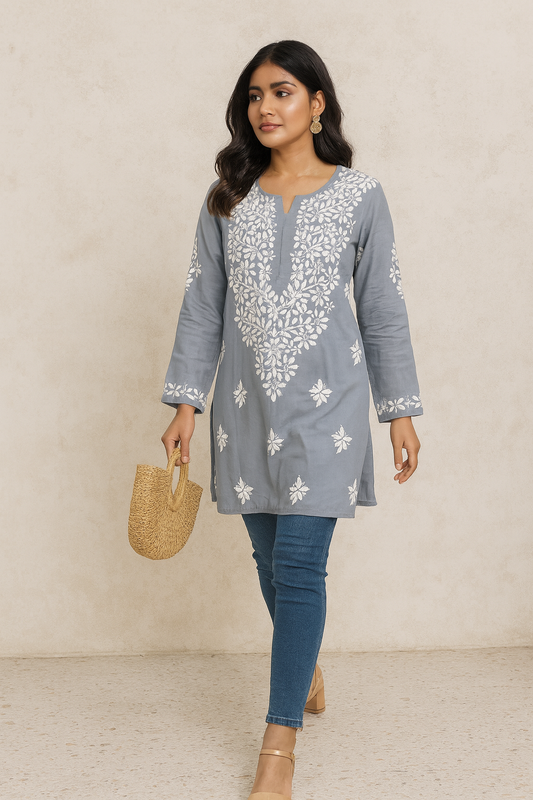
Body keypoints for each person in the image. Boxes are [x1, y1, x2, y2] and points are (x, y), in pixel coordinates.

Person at [161, 39, 422, 800]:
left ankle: (278, 744)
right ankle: (301, 665)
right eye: (254, 96)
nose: (265, 108)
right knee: (269, 559)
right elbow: (202, 307)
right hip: (245, 409)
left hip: (329, 406)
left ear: (317, 103)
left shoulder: (359, 196)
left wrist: (398, 411)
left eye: (281, 92)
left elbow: (382, 308)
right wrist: (185, 403)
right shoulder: (227, 198)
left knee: (302, 565)